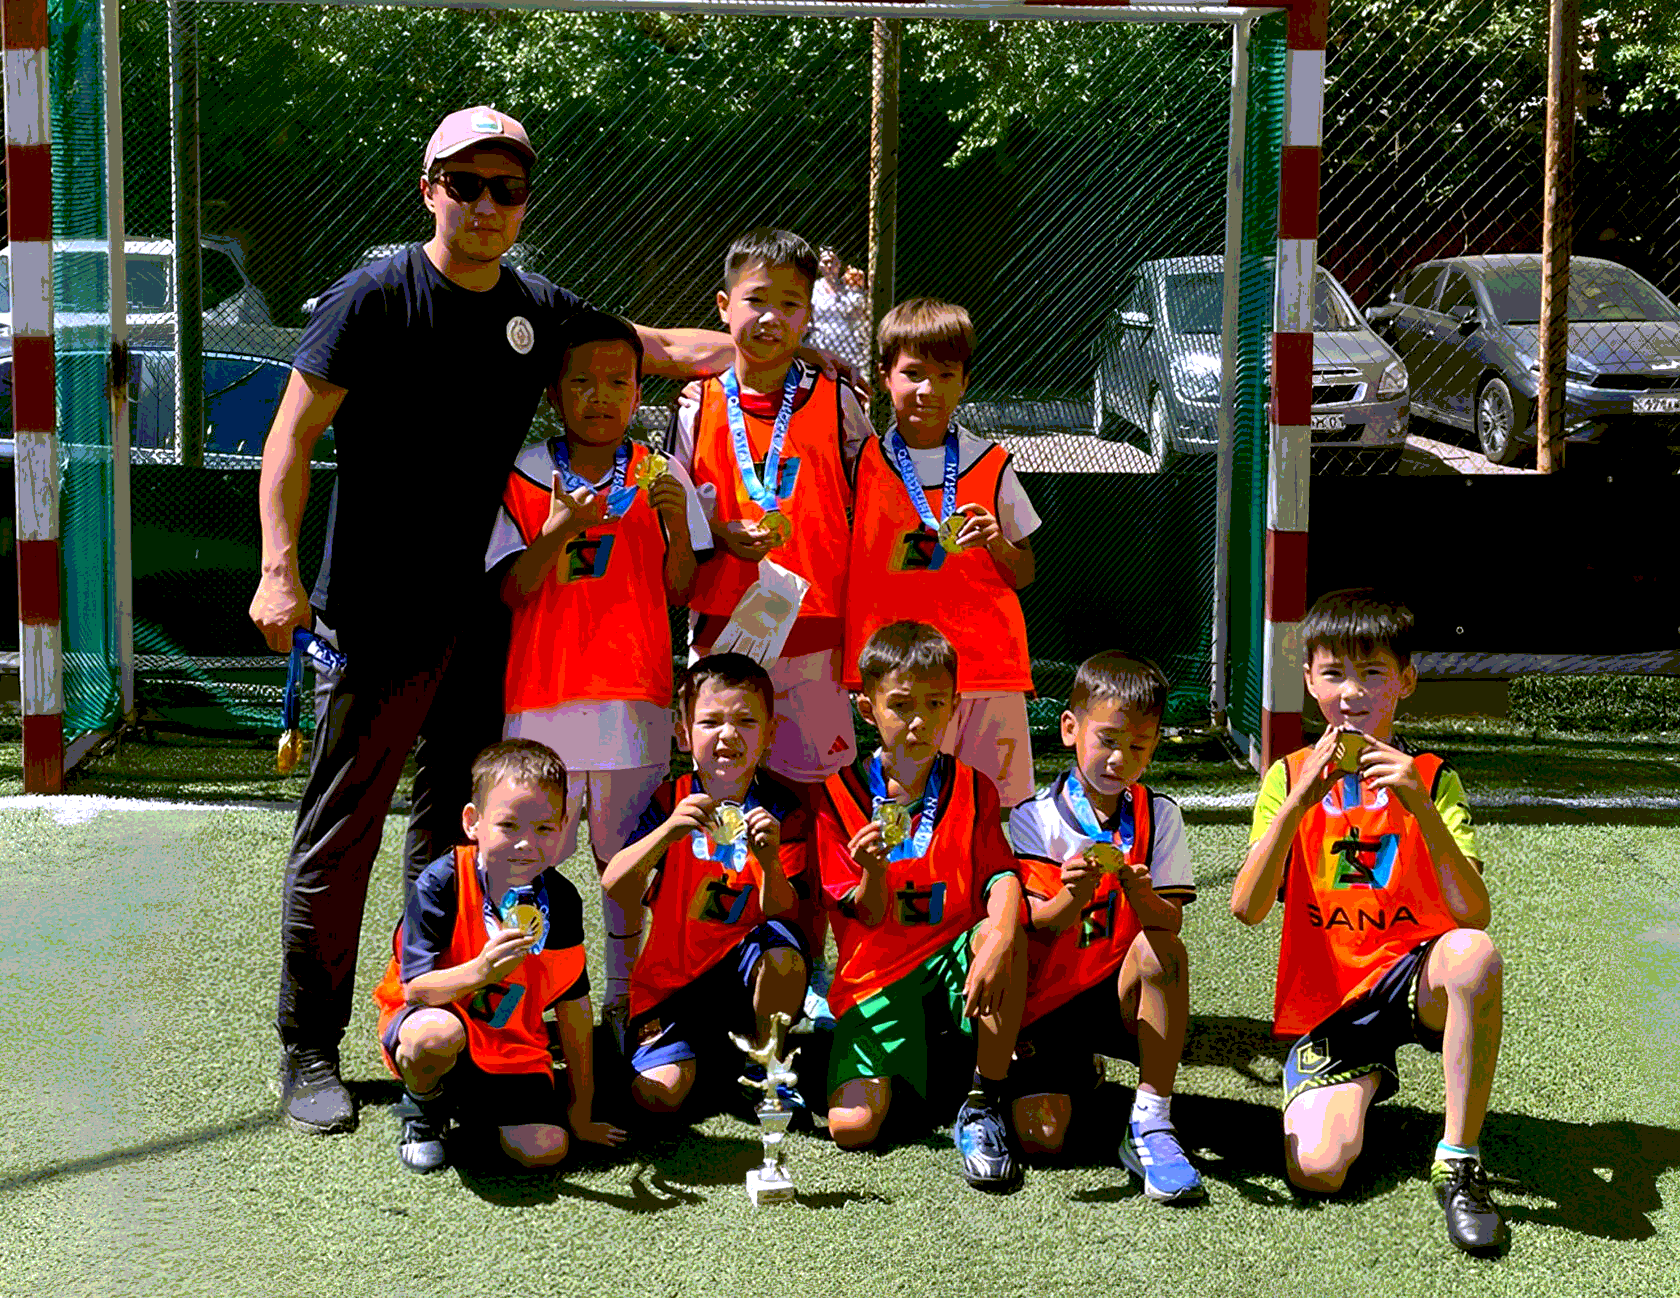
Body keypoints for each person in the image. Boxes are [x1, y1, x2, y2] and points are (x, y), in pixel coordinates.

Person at [250, 104, 747, 1136]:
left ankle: (434, 1028)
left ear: (523, 203)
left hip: (484, 621)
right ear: (428, 189)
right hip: (376, 619)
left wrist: (781, 346)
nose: (485, 205)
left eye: (506, 189)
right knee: (342, 832)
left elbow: (657, 346)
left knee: (454, 838)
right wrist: (277, 572)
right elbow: (290, 439)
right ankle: (309, 1046)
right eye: (466, 184)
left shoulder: (535, 306)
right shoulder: (372, 297)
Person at [1230, 588, 1508, 1255]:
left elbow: (1474, 912)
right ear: (1309, 680)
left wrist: (1419, 806)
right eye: (1334, 673)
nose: (1352, 692)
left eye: (1372, 673)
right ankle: (1365, 1076)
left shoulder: (1431, 777)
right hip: (1333, 1005)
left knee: (1472, 955)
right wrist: (1298, 802)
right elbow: (1247, 908)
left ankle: (1460, 1160)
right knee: (1318, 1170)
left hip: (1415, 980)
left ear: (1405, 681)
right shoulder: (1287, 776)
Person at [488, 309, 712, 1029]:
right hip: (542, 702)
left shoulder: (660, 473)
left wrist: (676, 526)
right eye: (582, 382)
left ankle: (626, 1002)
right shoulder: (525, 471)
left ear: (639, 393)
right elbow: (513, 590)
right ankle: (528, 1007)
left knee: (628, 868)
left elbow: (684, 589)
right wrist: (561, 528)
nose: (600, 397)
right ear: (554, 393)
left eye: (618, 383)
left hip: (634, 706)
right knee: (525, 865)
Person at [814, 621, 1026, 1192]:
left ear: (954, 705)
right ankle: (926, 1064)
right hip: (876, 973)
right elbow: (866, 913)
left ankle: (982, 1099)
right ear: (867, 709)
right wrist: (873, 870)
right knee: (852, 1128)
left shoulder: (974, 786)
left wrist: (1002, 934)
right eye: (901, 705)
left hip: (953, 956)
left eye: (935, 704)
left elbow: (1002, 875)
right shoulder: (835, 797)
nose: (919, 721)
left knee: (1001, 937)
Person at [667, 226, 873, 788]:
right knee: (723, 788)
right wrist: (717, 531)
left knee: (820, 794)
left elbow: (871, 500)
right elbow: (674, 511)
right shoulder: (696, 407)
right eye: (756, 299)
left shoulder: (837, 401)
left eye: (789, 303)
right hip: (723, 628)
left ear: (809, 315)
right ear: (723, 305)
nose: (770, 317)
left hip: (816, 630)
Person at [371, 739, 626, 1174]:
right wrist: (480, 971)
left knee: (547, 1149)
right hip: (438, 1020)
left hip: (510, 1042)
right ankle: (424, 1106)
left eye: (544, 829)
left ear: (563, 827)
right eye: (509, 825)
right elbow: (416, 990)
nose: (526, 844)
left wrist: (580, 1112)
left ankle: (473, 1110)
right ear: (473, 822)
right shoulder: (442, 882)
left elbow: (574, 1006)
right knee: (433, 1037)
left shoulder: (561, 899)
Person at [1007, 651, 1203, 1203]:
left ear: (1155, 746)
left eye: (1138, 747)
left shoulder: (1160, 813)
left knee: (1164, 950)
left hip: (1120, 993)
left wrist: (1141, 895)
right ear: (1070, 729)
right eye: (1108, 740)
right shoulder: (1034, 815)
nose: (1120, 759)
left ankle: (1151, 1120)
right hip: (1051, 998)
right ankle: (1074, 1067)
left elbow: (1169, 921)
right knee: (1042, 1140)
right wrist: (1071, 897)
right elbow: (1036, 925)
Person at [842, 298, 1039, 808]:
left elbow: (1024, 572)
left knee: (1001, 808)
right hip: (905, 679)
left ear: (964, 382)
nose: (928, 389)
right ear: (885, 376)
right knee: (914, 808)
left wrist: (996, 541)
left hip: (988, 669)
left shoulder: (991, 462)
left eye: (945, 375)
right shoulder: (860, 461)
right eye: (913, 373)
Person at [601, 654, 810, 1117]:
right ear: (684, 734)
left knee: (784, 954)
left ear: (769, 733)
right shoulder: (670, 799)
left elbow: (785, 912)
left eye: (746, 721)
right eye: (711, 721)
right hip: (674, 984)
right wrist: (667, 832)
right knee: (658, 1098)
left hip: (745, 977)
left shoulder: (783, 809)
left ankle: (764, 1064)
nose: (728, 735)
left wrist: (769, 860)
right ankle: (710, 1055)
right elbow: (614, 883)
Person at [807, 245, 870, 375]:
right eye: (825, 262)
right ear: (819, 265)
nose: (829, 266)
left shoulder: (849, 289)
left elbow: (859, 317)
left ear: (839, 264)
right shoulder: (813, 289)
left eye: (833, 262)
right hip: (820, 345)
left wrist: (860, 288)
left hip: (847, 347)